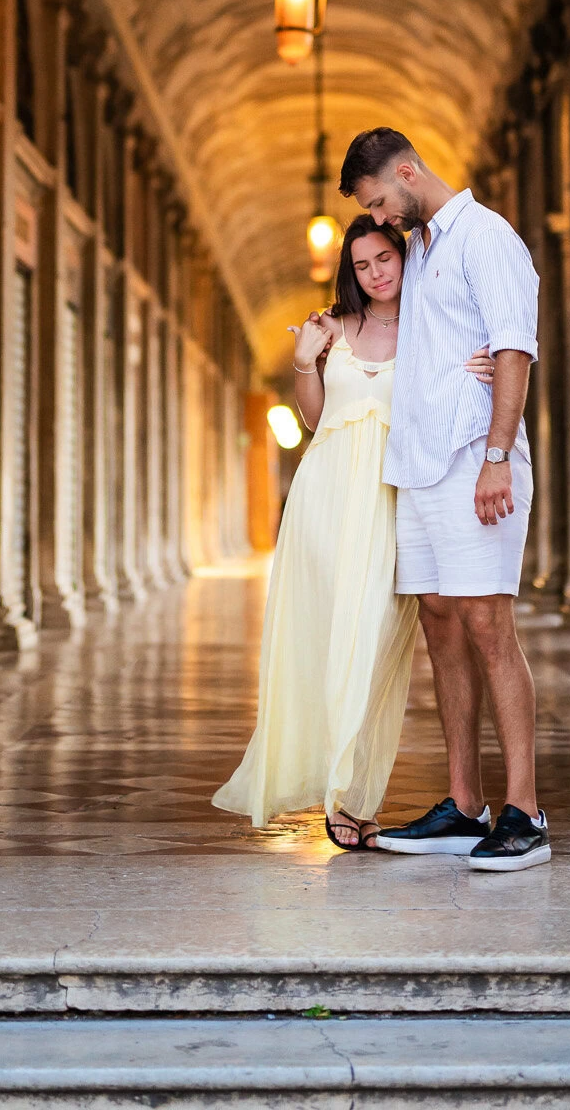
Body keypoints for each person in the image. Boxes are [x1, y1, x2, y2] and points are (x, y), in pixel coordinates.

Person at [213, 214, 494, 849]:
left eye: (385, 259)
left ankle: (355, 787)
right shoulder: (329, 327)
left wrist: (477, 365)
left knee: (374, 647)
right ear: (351, 272)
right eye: (363, 265)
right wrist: (303, 362)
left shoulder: (431, 327)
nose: (376, 273)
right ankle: (344, 798)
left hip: (395, 499)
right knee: (326, 639)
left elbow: (454, 395)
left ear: (404, 256)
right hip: (323, 499)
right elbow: (315, 421)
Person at [341, 125, 550, 873]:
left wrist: (497, 456)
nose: (380, 218)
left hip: (474, 461)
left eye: (379, 202)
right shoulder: (421, 248)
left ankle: (525, 812)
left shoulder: (485, 236)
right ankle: (465, 805)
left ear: (407, 170)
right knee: (439, 622)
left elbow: (513, 345)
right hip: (420, 467)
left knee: (489, 623)